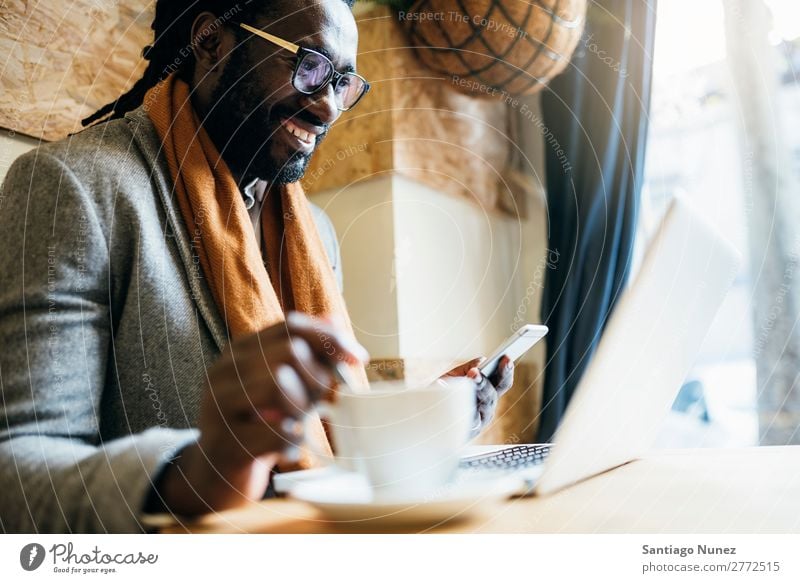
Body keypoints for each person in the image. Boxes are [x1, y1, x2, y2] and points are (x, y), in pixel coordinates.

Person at [0, 0, 514, 533]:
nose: (329, 107)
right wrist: (199, 471)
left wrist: (429, 421)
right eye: (309, 64)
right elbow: (17, 472)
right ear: (210, 42)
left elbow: (324, 438)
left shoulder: (316, 233)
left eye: (342, 82)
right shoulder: (72, 188)